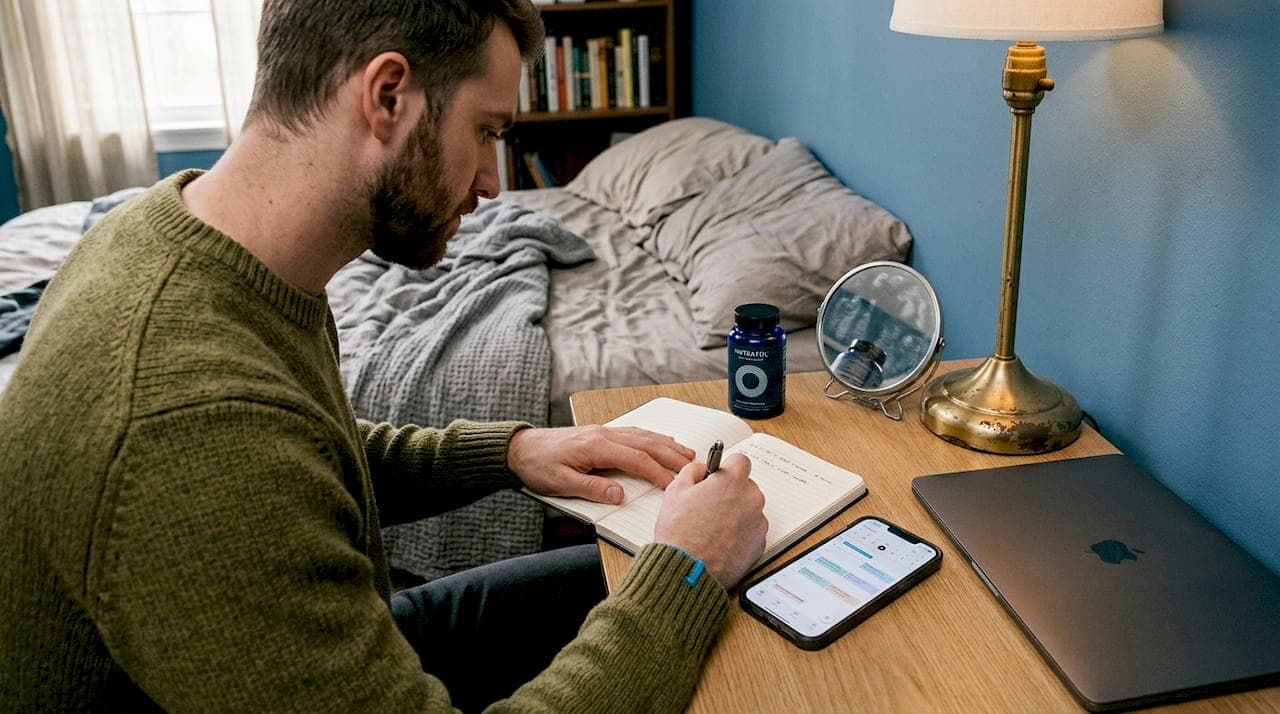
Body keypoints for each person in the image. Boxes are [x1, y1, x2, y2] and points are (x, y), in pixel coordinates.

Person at [0, 1, 768, 711]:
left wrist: (513, 450)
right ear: (389, 96)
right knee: (684, 595)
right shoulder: (190, 425)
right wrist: (687, 569)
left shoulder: (183, 238)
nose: (494, 186)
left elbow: (303, 451)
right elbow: (241, 450)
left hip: (295, 646)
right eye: (487, 133)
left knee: (628, 577)